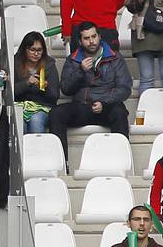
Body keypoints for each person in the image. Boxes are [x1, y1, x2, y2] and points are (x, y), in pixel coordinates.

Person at [49, 22, 133, 155]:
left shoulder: (115, 57)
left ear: (99, 36)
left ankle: (121, 158)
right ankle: (62, 162)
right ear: (80, 41)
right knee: (56, 113)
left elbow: (125, 88)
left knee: (119, 113)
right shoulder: (73, 59)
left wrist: (104, 102)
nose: (91, 41)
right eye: (86, 38)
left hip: (108, 106)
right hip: (82, 106)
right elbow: (65, 89)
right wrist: (80, 71)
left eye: (94, 36)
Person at [14, 32, 59, 134]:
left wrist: (45, 88)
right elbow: (10, 92)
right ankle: (22, 150)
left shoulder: (49, 64)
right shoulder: (14, 63)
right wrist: (26, 83)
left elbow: (54, 97)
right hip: (19, 106)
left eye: (39, 50)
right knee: (19, 122)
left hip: (43, 107)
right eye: (32, 49)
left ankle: (38, 149)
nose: (36, 53)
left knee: (36, 120)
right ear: (24, 49)